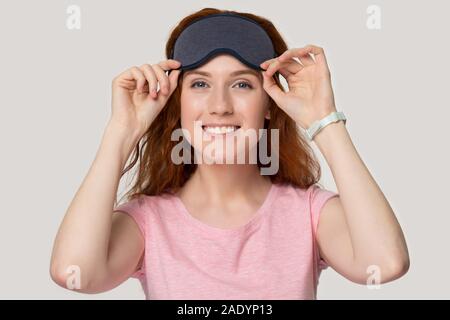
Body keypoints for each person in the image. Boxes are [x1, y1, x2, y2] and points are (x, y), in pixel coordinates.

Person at [50, 8, 409, 299]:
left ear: (270, 103)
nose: (220, 106)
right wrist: (121, 133)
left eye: (241, 84)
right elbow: (75, 275)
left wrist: (323, 121)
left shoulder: (309, 213)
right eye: (201, 84)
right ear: (178, 102)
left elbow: (385, 264)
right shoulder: (148, 222)